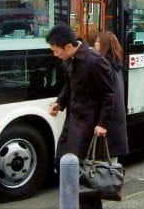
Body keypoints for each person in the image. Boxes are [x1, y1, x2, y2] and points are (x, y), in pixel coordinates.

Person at [46, 24, 117, 209]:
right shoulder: (68, 60)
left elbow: (109, 95)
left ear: (68, 47)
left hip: (89, 126)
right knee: (62, 163)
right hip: (73, 122)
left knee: (85, 172)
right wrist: (59, 103)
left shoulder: (94, 61)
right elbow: (69, 87)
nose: (55, 55)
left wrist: (102, 124)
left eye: (56, 50)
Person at [94, 31, 129, 160]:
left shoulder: (104, 65)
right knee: (111, 162)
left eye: (97, 42)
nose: (95, 45)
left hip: (108, 121)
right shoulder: (115, 64)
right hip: (116, 121)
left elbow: (106, 95)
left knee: (103, 164)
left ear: (104, 45)